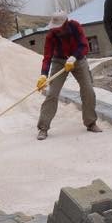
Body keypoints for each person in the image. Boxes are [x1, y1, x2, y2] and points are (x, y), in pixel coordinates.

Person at [35, 11, 101, 140]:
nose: (57, 30)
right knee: (52, 93)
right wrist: (43, 75)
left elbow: (84, 45)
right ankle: (43, 128)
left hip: (79, 60)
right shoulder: (51, 35)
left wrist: (74, 57)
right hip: (59, 61)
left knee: (88, 90)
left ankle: (91, 123)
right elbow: (47, 56)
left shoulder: (75, 27)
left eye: (59, 26)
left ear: (65, 23)